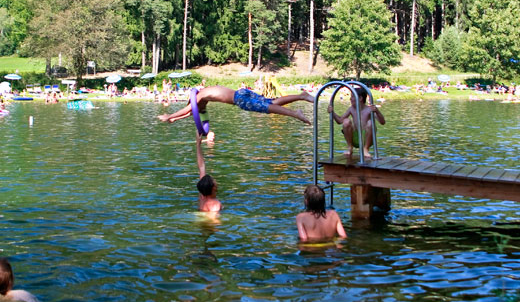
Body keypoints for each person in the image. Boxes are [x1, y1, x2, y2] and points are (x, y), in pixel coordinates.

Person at [157, 85, 314, 125]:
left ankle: (296, 114)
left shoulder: (201, 96)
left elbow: (189, 109)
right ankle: (302, 96)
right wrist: (176, 119)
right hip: (242, 92)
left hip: (239, 100)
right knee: (271, 102)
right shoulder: (206, 92)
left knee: (267, 108)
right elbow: (192, 113)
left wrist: (169, 115)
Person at [328, 87, 386, 158]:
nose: (350, 99)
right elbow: (339, 121)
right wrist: (332, 112)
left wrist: (377, 111)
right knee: (346, 121)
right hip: (354, 138)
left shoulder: (369, 110)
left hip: (367, 139)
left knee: (370, 123)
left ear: (360, 98)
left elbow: (382, 122)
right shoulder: (351, 109)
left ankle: (365, 149)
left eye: (352, 97)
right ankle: (350, 147)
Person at [195, 132, 221, 213]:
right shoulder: (215, 204)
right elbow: (213, 221)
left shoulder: (202, 197)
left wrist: (198, 145)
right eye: (214, 181)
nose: (215, 181)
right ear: (213, 187)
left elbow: (201, 167)